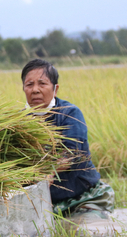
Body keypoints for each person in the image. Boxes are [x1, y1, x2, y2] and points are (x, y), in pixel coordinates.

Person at [21, 59, 114, 217]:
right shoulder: (18, 121)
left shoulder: (69, 114)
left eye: (42, 84)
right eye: (29, 85)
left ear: (55, 89)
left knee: (86, 235)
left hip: (82, 200)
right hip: (43, 204)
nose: (35, 90)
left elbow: (71, 154)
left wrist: (48, 173)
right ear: (23, 88)